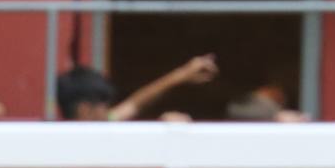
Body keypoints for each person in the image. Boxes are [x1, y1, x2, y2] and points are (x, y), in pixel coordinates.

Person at [55, 56, 217, 122]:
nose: (108, 109)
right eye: (103, 104)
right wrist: (162, 128)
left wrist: (181, 75)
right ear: (84, 110)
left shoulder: (101, 122)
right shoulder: (96, 137)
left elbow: (135, 103)